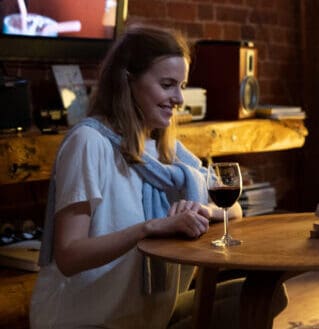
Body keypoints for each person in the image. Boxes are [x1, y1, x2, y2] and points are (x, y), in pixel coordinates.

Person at [29, 25, 286, 328]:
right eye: (167, 85)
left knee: (269, 295)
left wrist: (202, 210)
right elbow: (69, 255)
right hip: (85, 319)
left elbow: (235, 209)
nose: (178, 98)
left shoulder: (167, 151)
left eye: (182, 85)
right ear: (128, 81)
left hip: (146, 315)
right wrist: (150, 228)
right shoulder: (88, 142)